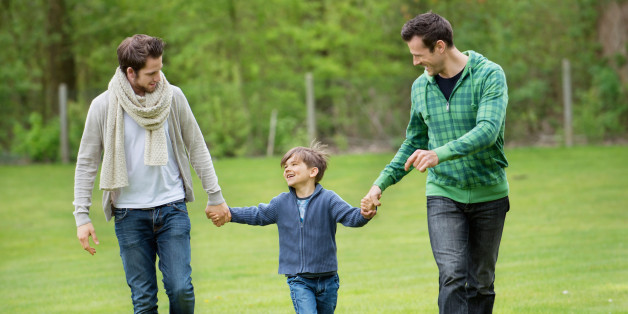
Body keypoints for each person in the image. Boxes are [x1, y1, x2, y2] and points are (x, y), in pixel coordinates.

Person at [361, 12, 510, 314]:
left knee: (481, 282)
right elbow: (414, 142)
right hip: (443, 193)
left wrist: (438, 153)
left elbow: (487, 131)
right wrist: (380, 184)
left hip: (489, 193)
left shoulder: (489, 75)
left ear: (440, 46)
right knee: (453, 274)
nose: (415, 62)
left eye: (419, 55)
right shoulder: (421, 87)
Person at [73, 34, 231, 313]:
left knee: (181, 289)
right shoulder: (103, 106)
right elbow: (86, 163)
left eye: (160, 69)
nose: (159, 76)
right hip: (128, 214)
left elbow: (196, 146)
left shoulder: (173, 98)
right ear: (130, 72)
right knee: (144, 300)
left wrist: (215, 195)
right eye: (152, 72)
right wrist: (82, 216)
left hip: (172, 208)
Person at [209, 142, 376, 314]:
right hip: (299, 279)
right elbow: (258, 214)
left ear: (313, 172)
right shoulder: (281, 203)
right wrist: (229, 213)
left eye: (294, 165)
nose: (287, 169)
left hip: (328, 279)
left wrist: (365, 213)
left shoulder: (329, 199)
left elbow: (351, 217)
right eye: (285, 166)